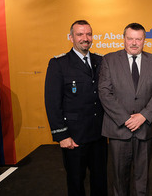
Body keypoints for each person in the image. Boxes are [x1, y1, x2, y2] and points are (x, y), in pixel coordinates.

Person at [98, 23, 152, 196]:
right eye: (130, 39)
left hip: (144, 129)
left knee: (142, 179)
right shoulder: (109, 60)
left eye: (138, 39)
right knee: (119, 179)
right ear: (124, 39)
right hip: (119, 129)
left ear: (144, 40)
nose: (134, 43)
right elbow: (105, 93)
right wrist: (126, 119)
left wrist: (143, 116)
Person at [45, 20, 107, 196]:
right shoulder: (59, 64)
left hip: (99, 135)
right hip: (74, 137)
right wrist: (62, 135)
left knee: (100, 181)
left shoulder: (101, 61)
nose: (85, 38)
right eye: (80, 34)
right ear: (71, 37)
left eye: (88, 34)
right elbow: (52, 102)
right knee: (75, 182)